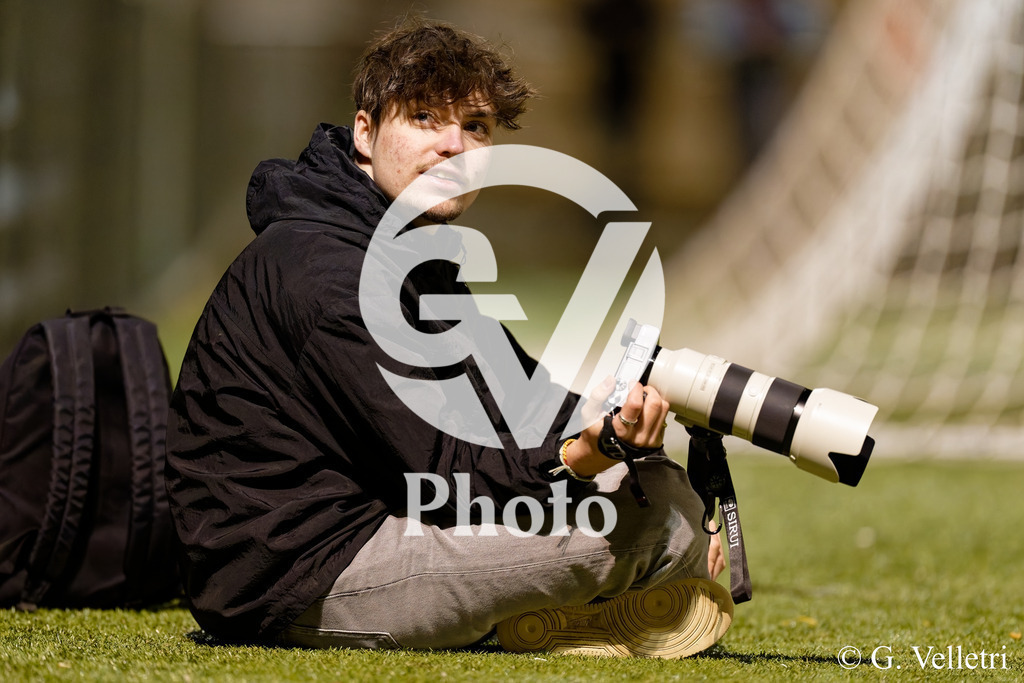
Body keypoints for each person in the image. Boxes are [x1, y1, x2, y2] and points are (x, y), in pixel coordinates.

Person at [165, 19, 732, 658]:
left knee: (655, 487)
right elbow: (446, 471)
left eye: (476, 128)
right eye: (426, 118)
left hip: (378, 516)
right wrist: (582, 458)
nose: (453, 147)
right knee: (651, 519)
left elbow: (521, 395)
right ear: (364, 131)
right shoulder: (326, 273)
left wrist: (613, 429)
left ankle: (576, 613)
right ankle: (591, 607)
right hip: (300, 576)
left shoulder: (401, 249)